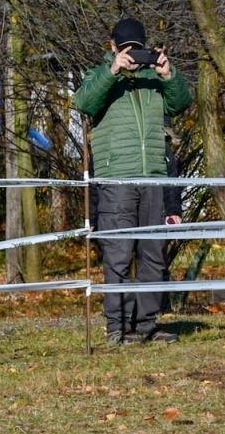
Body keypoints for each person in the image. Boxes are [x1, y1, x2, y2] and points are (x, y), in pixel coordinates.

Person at [74, 17, 193, 345]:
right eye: (126, 50)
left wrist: (169, 75)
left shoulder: (154, 78)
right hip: (116, 179)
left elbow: (182, 102)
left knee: (153, 254)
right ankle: (117, 327)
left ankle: (145, 325)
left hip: (153, 176)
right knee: (118, 254)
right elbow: (83, 102)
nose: (132, 56)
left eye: (137, 50)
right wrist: (112, 71)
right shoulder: (99, 76)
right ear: (112, 47)